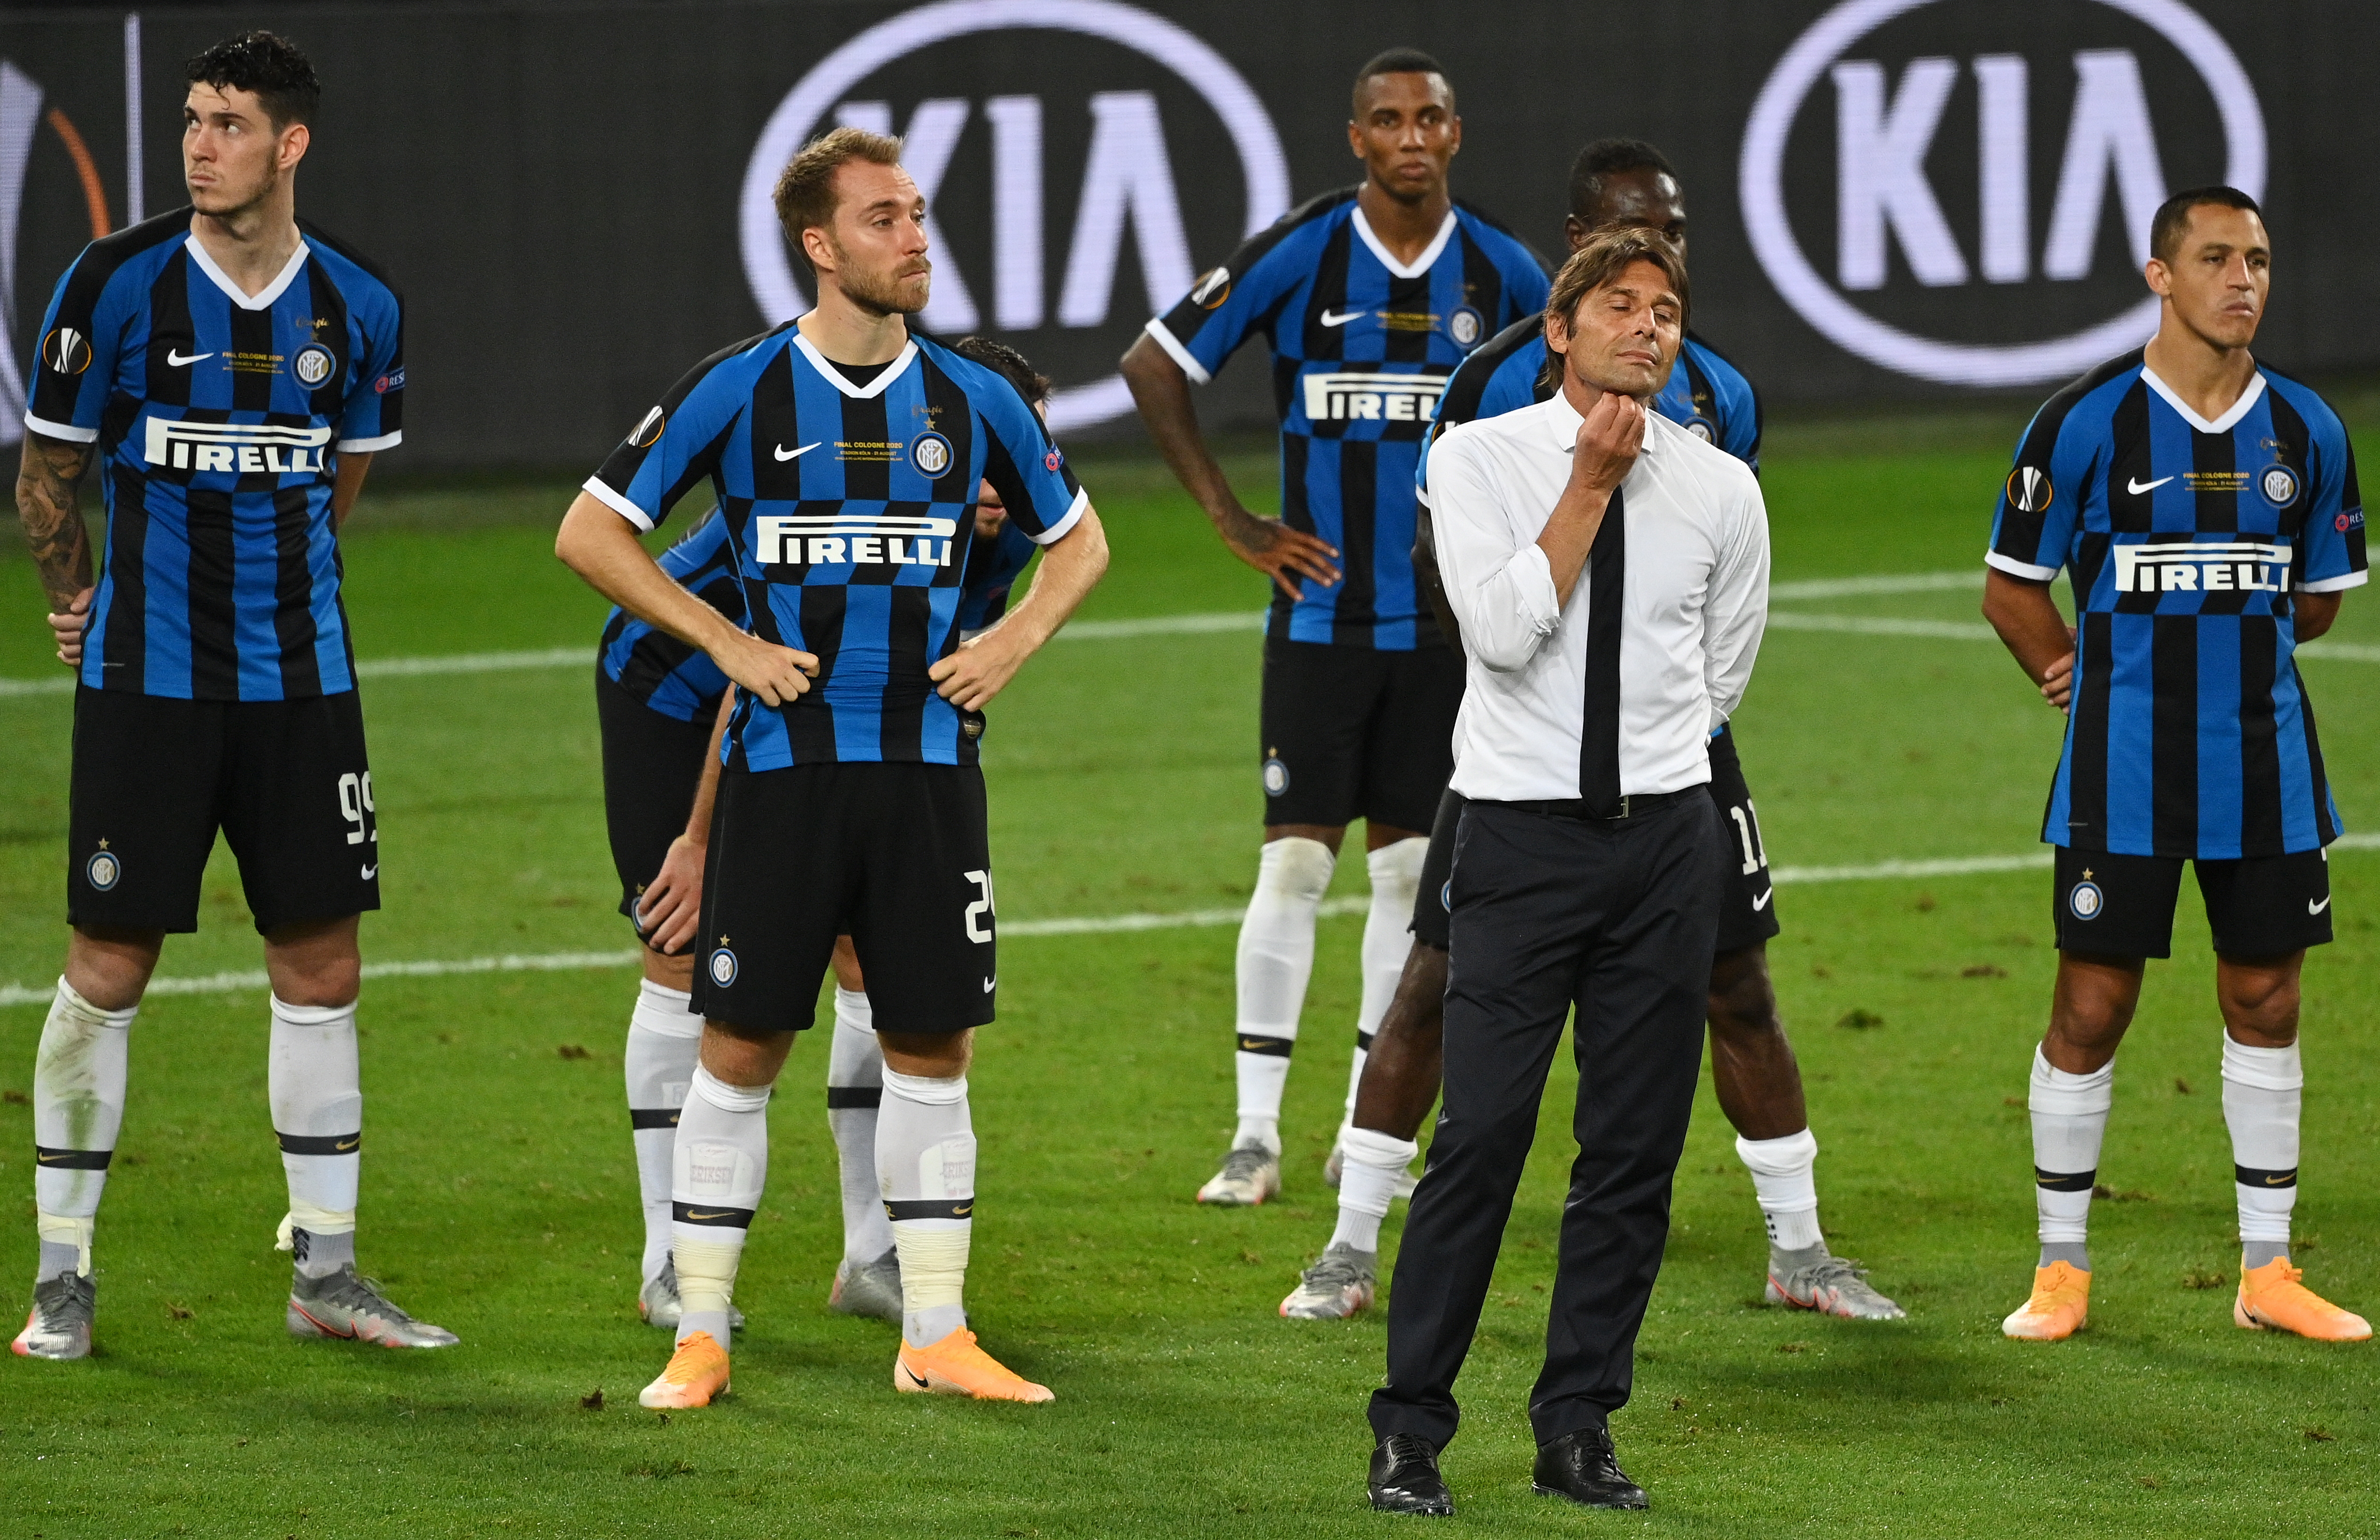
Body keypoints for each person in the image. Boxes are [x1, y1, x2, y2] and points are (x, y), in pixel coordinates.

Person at [1283, 139, 1901, 1324]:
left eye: (1672, 249)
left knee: (1739, 984)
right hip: (1516, 753)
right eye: (1632, 248)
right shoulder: (1488, 391)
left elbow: (1726, 609)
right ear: (1574, 260)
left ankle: (1801, 1248)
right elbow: (1450, 570)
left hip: (1673, 764)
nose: (1658, 274)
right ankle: (1350, 1244)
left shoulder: (1719, 395)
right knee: (1432, 981)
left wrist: (1670, 721)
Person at [556, 128, 1108, 1410]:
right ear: (819, 244)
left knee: (932, 1043)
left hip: (925, 774)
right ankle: (698, 1331)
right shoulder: (738, 388)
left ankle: (933, 1330)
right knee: (738, 1043)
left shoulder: (977, 401)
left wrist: (1010, 642)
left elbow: (1079, 543)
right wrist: (725, 640)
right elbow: (590, 531)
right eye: (884, 219)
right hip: (781, 770)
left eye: (918, 216)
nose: (916, 238)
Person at [9, 32, 451, 1362]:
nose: (200, 145)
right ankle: (62, 1278)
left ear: (290, 144)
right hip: (145, 681)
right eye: (193, 121)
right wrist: (72, 592)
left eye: (228, 124)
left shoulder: (359, 303)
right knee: (108, 964)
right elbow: (49, 472)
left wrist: (281, 586)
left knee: (321, 966)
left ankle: (327, 1268)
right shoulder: (116, 281)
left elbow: (339, 486)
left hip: (302, 684)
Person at [1365, 230, 1767, 1516]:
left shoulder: (1719, 487)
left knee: (1633, 1151)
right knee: (1479, 1135)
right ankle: (1409, 1430)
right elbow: (1495, 631)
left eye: (1664, 312)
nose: (1645, 328)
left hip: (1663, 843)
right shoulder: (1477, 460)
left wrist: (1658, 783)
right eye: (1616, 307)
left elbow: (1722, 675)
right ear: (1558, 330)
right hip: (1518, 839)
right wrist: (1588, 484)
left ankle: (1577, 1426)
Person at [1121, 48, 1550, 1208]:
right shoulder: (1300, 254)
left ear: (1456, 133)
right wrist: (1232, 518)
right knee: (1296, 863)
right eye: (1386, 121)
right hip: (1315, 620)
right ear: (1354, 139)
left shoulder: (1505, 271)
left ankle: (1368, 1134)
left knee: (1409, 874)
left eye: (1430, 117)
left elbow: (1570, 414)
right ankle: (1253, 1135)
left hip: (1439, 633)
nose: (1410, 137)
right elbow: (1153, 364)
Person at [1983, 186, 2368, 1344]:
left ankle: (2267, 1270)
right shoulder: (2083, 421)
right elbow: (2011, 588)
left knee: (2266, 997)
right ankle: (2060, 1269)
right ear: (2159, 276)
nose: (2240, 279)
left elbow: (2312, 603)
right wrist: (2072, 675)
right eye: (2213, 257)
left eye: (2255, 258)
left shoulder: (2308, 429)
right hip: (2121, 768)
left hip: (2265, 764)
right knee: (2089, 1005)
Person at [601, 340, 1049, 1333]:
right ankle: (665, 1259)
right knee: (681, 951)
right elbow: (751, 683)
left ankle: (870, 1252)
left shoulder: (1006, 529)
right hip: (675, 688)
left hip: (799, 711)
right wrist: (703, 840)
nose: (986, 481)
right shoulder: (843, 484)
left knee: (865, 949)